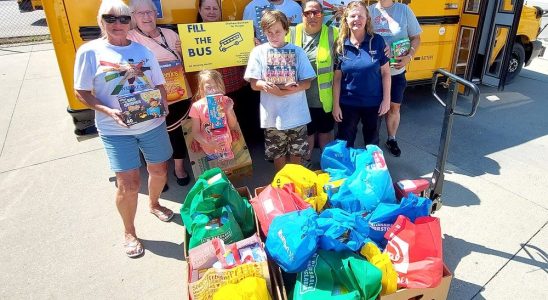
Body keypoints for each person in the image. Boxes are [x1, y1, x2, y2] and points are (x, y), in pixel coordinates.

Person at [73, 0, 173, 258]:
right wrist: (107, 111)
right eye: (111, 18)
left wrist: (163, 103)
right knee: (128, 184)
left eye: (124, 19)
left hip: (151, 123)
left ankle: (154, 203)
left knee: (160, 170)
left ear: (131, 22)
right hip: (115, 129)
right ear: (101, 21)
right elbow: (81, 92)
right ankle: (129, 231)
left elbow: (158, 83)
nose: (118, 24)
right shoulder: (90, 52)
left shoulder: (142, 51)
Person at [128, 0, 192, 186]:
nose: (147, 16)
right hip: (149, 96)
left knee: (177, 133)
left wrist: (184, 53)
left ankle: (179, 167)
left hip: (178, 93)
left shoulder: (170, 34)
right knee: (152, 137)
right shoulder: (130, 38)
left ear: (156, 14)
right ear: (133, 16)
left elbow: (189, 63)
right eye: (141, 13)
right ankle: (158, 175)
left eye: (150, 12)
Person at [245, 10, 316, 171]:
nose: (274, 36)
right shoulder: (258, 52)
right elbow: (253, 84)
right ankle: (282, 186)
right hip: (273, 116)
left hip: (296, 114)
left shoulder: (297, 51)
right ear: (264, 32)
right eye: (269, 32)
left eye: (277, 31)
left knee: (297, 153)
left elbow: (307, 83)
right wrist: (264, 85)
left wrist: (284, 91)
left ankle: (295, 183)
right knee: (277, 153)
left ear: (286, 30)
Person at [286, 0, 338, 167]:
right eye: (308, 13)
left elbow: (354, 42)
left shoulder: (333, 33)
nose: (312, 16)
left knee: (325, 133)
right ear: (302, 15)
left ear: (322, 15)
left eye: (316, 12)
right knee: (305, 135)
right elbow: (275, 48)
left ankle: (327, 164)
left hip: (323, 98)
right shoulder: (291, 33)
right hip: (299, 99)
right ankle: (306, 165)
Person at [332, 0, 391, 148]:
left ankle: (372, 170)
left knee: (372, 143)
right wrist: (336, 105)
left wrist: (386, 100)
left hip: (373, 104)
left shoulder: (377, 41)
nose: (356, 20)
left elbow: (386, 73)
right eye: (352, 16)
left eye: (360, 16)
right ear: (346, 19)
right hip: (348, 103)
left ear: (367, 19)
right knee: (345, 141)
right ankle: (346, 170)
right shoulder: (340, 44)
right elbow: (337, 79)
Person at [369, 0, 422, 157]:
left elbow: (416, 38)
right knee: (375, 109)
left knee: (394, 107)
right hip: (375, 73)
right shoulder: (369, 11)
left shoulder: (404, 10)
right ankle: (372, 144)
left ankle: (391, 139)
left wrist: (409, 56)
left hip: (396, 72)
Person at [189, 70, 240, 160]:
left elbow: (232, 125)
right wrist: (210, 144)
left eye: (216, 86)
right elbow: (195, 132)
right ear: (201, 89)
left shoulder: (225, 101)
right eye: (209, 87)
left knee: (228, 168)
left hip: (227, 144)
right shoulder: (196, 106)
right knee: (216, 170)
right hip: (209, 147)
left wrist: (228, 110)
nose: (213, 90)